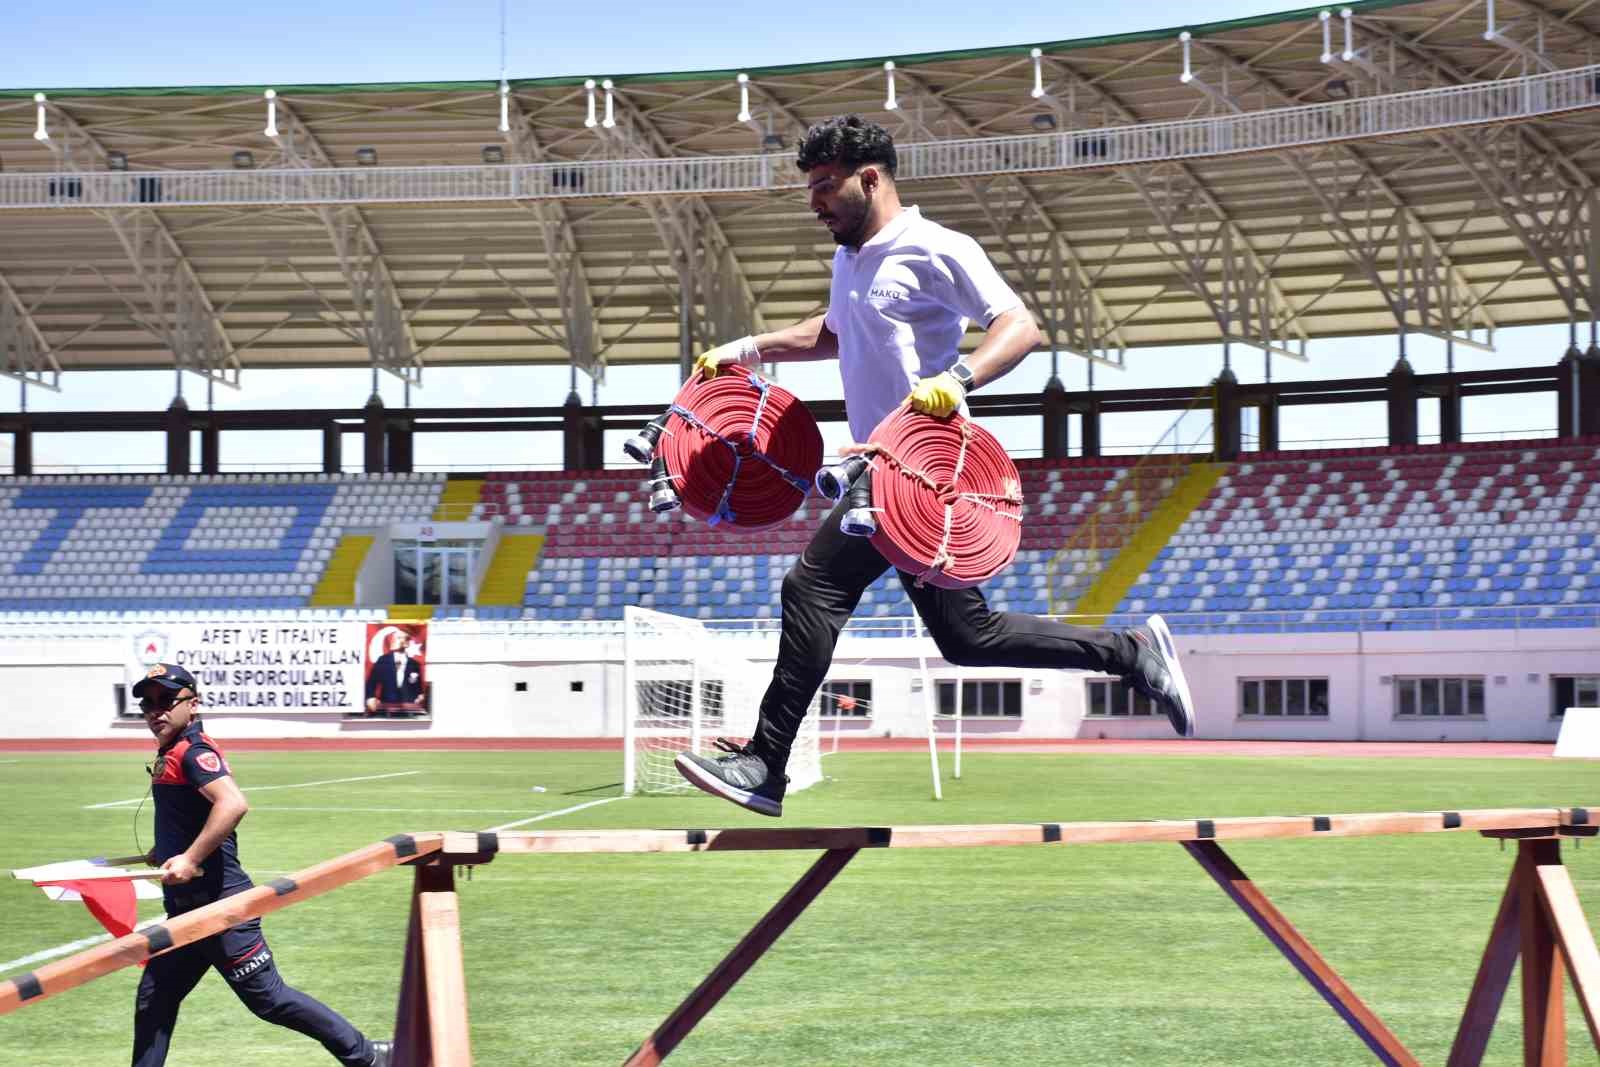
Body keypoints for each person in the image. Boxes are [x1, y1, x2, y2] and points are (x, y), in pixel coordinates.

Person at [675, 115, 1197, 818]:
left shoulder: (935, 247)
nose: (814, 203)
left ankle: (765, 765)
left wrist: (962, 376)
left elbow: (1018, 325)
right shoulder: (849, 259)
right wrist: (746, 348)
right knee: (966, 636)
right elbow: (831, 332)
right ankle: (1133, 652)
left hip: (927, 472)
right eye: (810, 189)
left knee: (812, 588)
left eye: (825, 187)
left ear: (871, 178)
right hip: (884, 473)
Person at [131, 662, 391, 1067]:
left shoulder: (194, 752)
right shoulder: (173, 751)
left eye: (166, 700)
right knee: (154, 1000)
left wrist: (191, 857)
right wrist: (165, 849)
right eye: (147, 703)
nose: (155, 711)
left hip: (222, 910)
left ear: (192, 705)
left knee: (269, 1000)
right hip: (186, 912)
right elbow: (188, 814)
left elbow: (233, 803)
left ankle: (367, 1056)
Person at [364, 630, 424, 715]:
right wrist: (370, 697)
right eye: (393, 638)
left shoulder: (414, 664)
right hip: (386, 708)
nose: (394, 640)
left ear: (407, 643)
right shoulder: (383, 660)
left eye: (399, 638)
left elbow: (418, 689)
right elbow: (371, 683)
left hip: (408, 710)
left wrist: (420, 697)